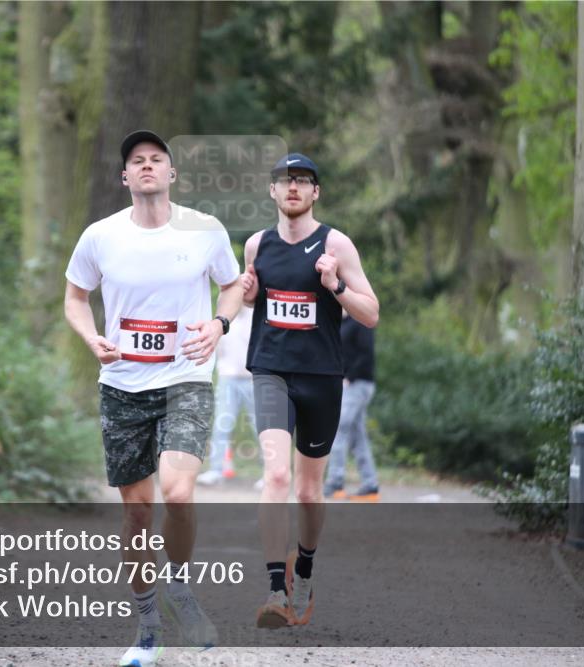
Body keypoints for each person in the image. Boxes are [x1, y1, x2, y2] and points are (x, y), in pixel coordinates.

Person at [64, 130, 243, 666]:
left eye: (156, 160)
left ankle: (181, 589)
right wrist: (90, 336)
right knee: (138, 513)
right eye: (136, 161)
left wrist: (218, 323)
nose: (146, 167)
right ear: (124, 177)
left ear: (171, 175)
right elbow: (75, 297)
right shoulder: (100, 236)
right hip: (123, 386)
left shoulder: (205, 230)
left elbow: (233, 286)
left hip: (186, 378)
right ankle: (147, 628)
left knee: (179, 492)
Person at [240, 153, 379, 628]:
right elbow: (253, 298)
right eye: (284, 180)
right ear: (272, 191)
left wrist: (334, 284)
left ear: (316, 192)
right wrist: (247, 292)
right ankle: (276, 589)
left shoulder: (336, 243)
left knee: (307, 489)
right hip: (270, 369)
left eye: (302, 181)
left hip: (321, 376)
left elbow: (371, 312)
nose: (293, 187)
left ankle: (306, 567)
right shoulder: (257, 245)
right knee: (277, 475)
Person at [197, 305, 256, 486]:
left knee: (261, 427)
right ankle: (216, 470)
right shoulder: (222, 319)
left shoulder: (256, 314)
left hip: (253, 379)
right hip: (228, 379)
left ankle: (270, 474)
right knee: (221, 426)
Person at [323, 316, 379, 501]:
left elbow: (366, 353)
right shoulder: (341, 321)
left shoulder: (359, 320)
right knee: (358, 435)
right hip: (347, 384)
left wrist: (350, 377)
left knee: (338, 429)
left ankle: (335, 483)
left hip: (358, 384)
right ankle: (370, 485)